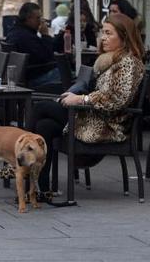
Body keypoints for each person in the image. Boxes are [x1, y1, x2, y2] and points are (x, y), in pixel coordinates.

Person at [28, 14, 145, 201]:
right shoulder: (110, 60)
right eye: (102, 33)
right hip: (93, 116)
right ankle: (38, 187)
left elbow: (118, 99)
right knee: (44, 127)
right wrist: (78, 97)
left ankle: (21, 165)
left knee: (41, 108)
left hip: (107, 125)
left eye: (108, 33)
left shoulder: (129, 63)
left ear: (124, 37)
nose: (103, 37)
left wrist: (82, 99)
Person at [6, 2, 60, 88]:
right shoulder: (26, 37)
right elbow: (47, 56)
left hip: (23, 76)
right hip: (34, 78)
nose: (41, 21)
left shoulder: (14, 31)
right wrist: (45, 35)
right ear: (28, 18)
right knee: (68, 74)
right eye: (38, 18)